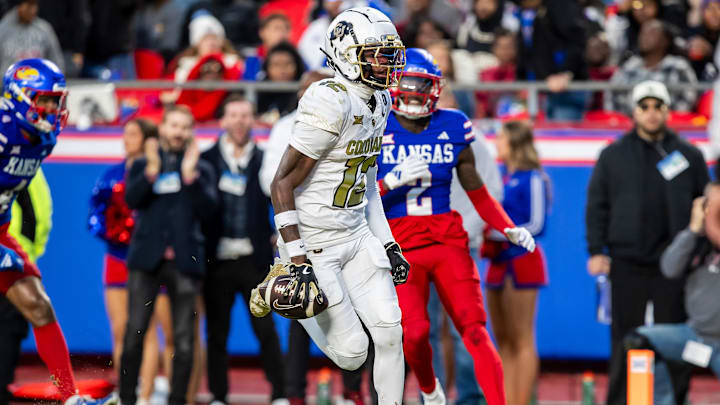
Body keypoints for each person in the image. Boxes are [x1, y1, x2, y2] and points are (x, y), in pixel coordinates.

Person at [255, 7, 408, 405]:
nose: (384, 62)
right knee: (353, 354)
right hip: (316, 242)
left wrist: (388, 242)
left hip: (356, 235)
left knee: (391, 333)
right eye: (374, 53)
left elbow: (367, 183)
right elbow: (281, 182)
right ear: (344, 53)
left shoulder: (380, 100)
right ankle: (284, 289)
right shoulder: (330, 99)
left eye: (387, 52)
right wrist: (297, 258)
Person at [376, 48, 534, 405]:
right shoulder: (376, 126)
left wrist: (506, 226)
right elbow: (358, 198)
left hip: (447, 240)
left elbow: (477, 191)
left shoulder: (453, 124)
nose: (416, 91)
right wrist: (390, 182)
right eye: (410, 83)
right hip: (399, 246)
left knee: (474, 328)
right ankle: (431, 390)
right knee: (414, 334)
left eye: (423, 84)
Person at [0, 58, 116, 405]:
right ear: (19, 97)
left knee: (38, 306)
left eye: (55, 101)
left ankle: (70, 398)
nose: (52, 109)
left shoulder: (42, 139)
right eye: (45, 100)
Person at [586, 80, 709, 405]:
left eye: (658, 107)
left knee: (676, 338)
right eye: (645, 107)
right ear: (634, 112)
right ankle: (619, 400)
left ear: (668, 110)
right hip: (627, 262)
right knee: (625, 339)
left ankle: (676, 399)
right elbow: (597, 205)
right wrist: (597, 250)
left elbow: (707, 207)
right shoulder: (613, 155)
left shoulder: (690, 155)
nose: (652, 114)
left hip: (676, 265)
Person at [259, 69, 368, 405]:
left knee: (355, 310)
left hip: (343, 227)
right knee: (301, 309)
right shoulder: (286, 126)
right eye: (308, 90)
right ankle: (294, 393)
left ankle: (352, 390)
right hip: (301, 229)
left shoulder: (351, 118)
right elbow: (272, 182)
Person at [119, 105, 217, 405]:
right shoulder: (143, 163)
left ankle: (177, 400)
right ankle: (126, 398)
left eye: (185, 127)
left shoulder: (202, 169)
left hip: (185, 263)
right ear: (162, 128)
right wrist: (150, 171)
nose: (179, 132)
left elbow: (211, 212)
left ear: (192, 132)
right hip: (146, 261)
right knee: (134, 332)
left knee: (185, 340)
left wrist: (190, 177)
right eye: (174, 125)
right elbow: (131, 200)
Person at [200, 95, 287, 405]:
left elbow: (280, 199)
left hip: (255, 260)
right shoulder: (205, 159)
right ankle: (219, 396)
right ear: (222, 120)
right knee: (217, 332)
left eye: (245, 115)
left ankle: (280, 393)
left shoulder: (266, 159)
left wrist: (279, 233)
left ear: (253, 120)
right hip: (216, 260)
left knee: (266, 330)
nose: (239, 121)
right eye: (233, 115)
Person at [87, 119, 174, 405]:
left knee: (146, 329)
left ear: (148, 139)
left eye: (133, 134)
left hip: (149, 259)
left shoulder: (159, 171)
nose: (126, 139)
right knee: (121, 330)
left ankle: (147, 395)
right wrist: (118, 233)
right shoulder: (111, 174)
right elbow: (95, 215)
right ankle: (128, 391)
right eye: (125, 134)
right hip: (117, 257)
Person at [623, 181, 720, 405]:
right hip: (697, 338)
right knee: (639, 341)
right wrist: (694, 229)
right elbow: (669, 268)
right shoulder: (697, 244)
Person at [482, 120, 550, 405]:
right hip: (498, 261)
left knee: (522, 339)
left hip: (522, 261)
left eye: (501, 138)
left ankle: (521, 400)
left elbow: (536, 223)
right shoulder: (502, 176)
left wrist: (494, 232)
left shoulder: (533, 177)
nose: (497, 143)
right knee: (503, 341)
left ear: (514, 143)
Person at [0, 168, 52, 405]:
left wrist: (24, 253)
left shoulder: (24, 165)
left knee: (9, 328)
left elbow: (35, 212)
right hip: (13, 256)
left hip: (12, 258)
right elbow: (38, 215)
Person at [0, 0, 64, 74]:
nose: (33, 10)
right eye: (29, 5)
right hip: (8, 83)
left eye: (35, 5)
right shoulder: (3, 29)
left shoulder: (44, 29)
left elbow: (56, 62)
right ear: (19, 6)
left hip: (39, 83)